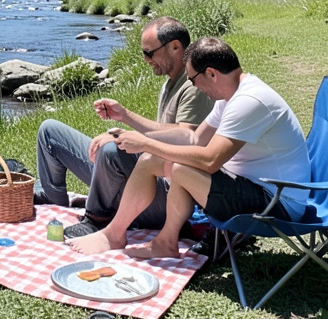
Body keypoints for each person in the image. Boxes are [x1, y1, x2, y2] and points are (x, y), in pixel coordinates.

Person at [68, 37, 312, 259]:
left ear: (211, 74)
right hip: (253, 188)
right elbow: (194, 139)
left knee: (181, 168)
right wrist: (127, 119)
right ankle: (116, 234)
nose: (195, 87)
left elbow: (209, 160)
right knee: (151, 159)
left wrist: (145, 143)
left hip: (278, 203)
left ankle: (165, 242)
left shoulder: (249, 102)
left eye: (193, 79)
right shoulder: (232, 95)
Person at [35, 17, 215, 237]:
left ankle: (96, 218)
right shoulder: (171, 82)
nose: (145, 59)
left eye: (149, 53)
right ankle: (56, 205)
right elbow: (164, 132)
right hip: (146, 177)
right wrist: (123, 120)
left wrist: (123, 136)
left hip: (168, 197)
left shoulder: (193, 84)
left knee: (113, 151)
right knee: (50, 131)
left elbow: (188, 137)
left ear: (175, 47)